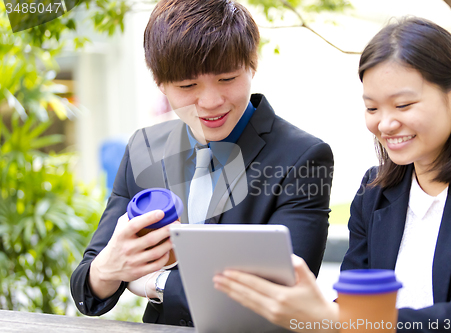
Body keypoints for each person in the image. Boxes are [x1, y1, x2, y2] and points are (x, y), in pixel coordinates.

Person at [214, 17, 451, 332]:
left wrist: (333, 320)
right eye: (373, 108)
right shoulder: (374, 191)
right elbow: (351, 308)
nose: (386, 124)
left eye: (403, 105)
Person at [70, 0, 334, 327]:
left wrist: (155, 282)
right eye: (187, 86)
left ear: (252, 65)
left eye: (227, 79)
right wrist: (108, 268)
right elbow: (87, 288)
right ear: (160, 84)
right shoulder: (144, 147)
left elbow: (281, 294)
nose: (210, 102)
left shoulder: (303, 157)